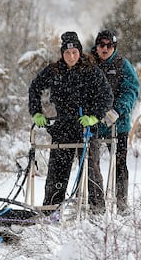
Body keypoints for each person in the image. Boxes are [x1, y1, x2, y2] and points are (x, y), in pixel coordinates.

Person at [29, 31, 113, 213]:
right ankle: (51, 210)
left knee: (91, 170)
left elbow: (107, 97)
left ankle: (97, 211)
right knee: (57, 171)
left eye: (74, 52)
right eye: (67, 53)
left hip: (86, 128)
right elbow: (35, 88)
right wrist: (36, 112)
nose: (71, 56)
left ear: (79, 52)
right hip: (63, 126)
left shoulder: (91, 70)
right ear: (62, 53)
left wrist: (94, 116)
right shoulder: (54, 70)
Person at [91, 29, 140, 213]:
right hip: (94, 121)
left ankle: (121, 202)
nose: (104, 49)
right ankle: (96, 203)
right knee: (91, 162)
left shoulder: (122, 65)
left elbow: (132, 90)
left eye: (109, 45)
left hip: (117, 123)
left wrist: (118, 110)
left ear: (114, 47)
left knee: (119, 162)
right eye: (101, 45)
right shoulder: (89, 63)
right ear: (96, 46)